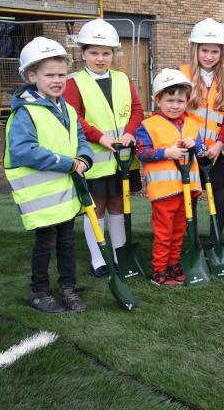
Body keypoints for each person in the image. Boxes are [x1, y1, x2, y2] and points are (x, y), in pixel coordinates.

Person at [4, 37, 92, 313]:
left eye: (61, 74)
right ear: (32, 76)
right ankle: (38, 292)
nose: (57, 80)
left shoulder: (66, 107)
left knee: (67, 242)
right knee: (46, 244)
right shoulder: (25, 113)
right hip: (41, 196)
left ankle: (68, 287)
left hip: (65, 193)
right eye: (49, 75)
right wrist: (68, 163)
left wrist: (84, 158)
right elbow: (23, 151)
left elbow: (80, 138)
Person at [62, 19, 144, 279]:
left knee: (118, 205)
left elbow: (137, 110)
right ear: (83, 53)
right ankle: (99, 259)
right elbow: (74, 117)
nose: (100, 58)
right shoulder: (74, 83)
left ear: (114, 54)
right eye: (94, 52)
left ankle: (120, 256)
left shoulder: (123, 79)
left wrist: (131, 132)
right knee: (95, 208)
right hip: (96, 159)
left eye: (106, 52)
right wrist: (100, 137)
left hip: (122, 159)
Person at [136, 69, 204, 286]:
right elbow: (142, 153)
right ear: (158, 100)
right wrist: (166, 152)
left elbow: (201, 151)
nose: (175, 105)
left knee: (178, 232)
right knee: (164, 233)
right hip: (164, 192)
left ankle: (173, 264)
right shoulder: (148, 126)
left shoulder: (192, 124)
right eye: (170, 100)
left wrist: (197, 145)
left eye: (180, 101)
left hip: (187, 189)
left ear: (187, 101)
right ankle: (159, 270)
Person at [179, 18, 224, 249]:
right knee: (189, 196)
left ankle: (215, 241)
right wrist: (198, 145)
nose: (209, 56)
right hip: (188, 147)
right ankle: (191, 243)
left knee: (222, 194)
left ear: (221, 52)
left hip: (214, 151)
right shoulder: (181, 75)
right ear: (196, 49)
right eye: (205, 50)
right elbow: (176, 111)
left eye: (215, 51)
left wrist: (219, 145)